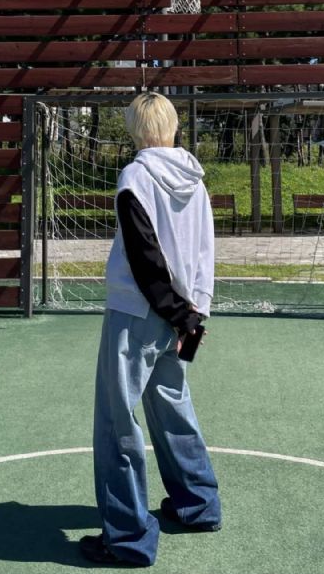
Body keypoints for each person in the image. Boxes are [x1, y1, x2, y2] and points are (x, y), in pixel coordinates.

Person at [79, 92, 222, 567]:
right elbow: (204, 252)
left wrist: (177, 312)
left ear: (134, 129)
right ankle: (198, 505)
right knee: (172, 408)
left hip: (136, 313)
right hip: (181, 314)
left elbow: (144, 257)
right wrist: (193, 314)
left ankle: (127, 538)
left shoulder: (135, 176)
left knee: (117, 422)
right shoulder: (195, 179)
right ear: (173, 125)